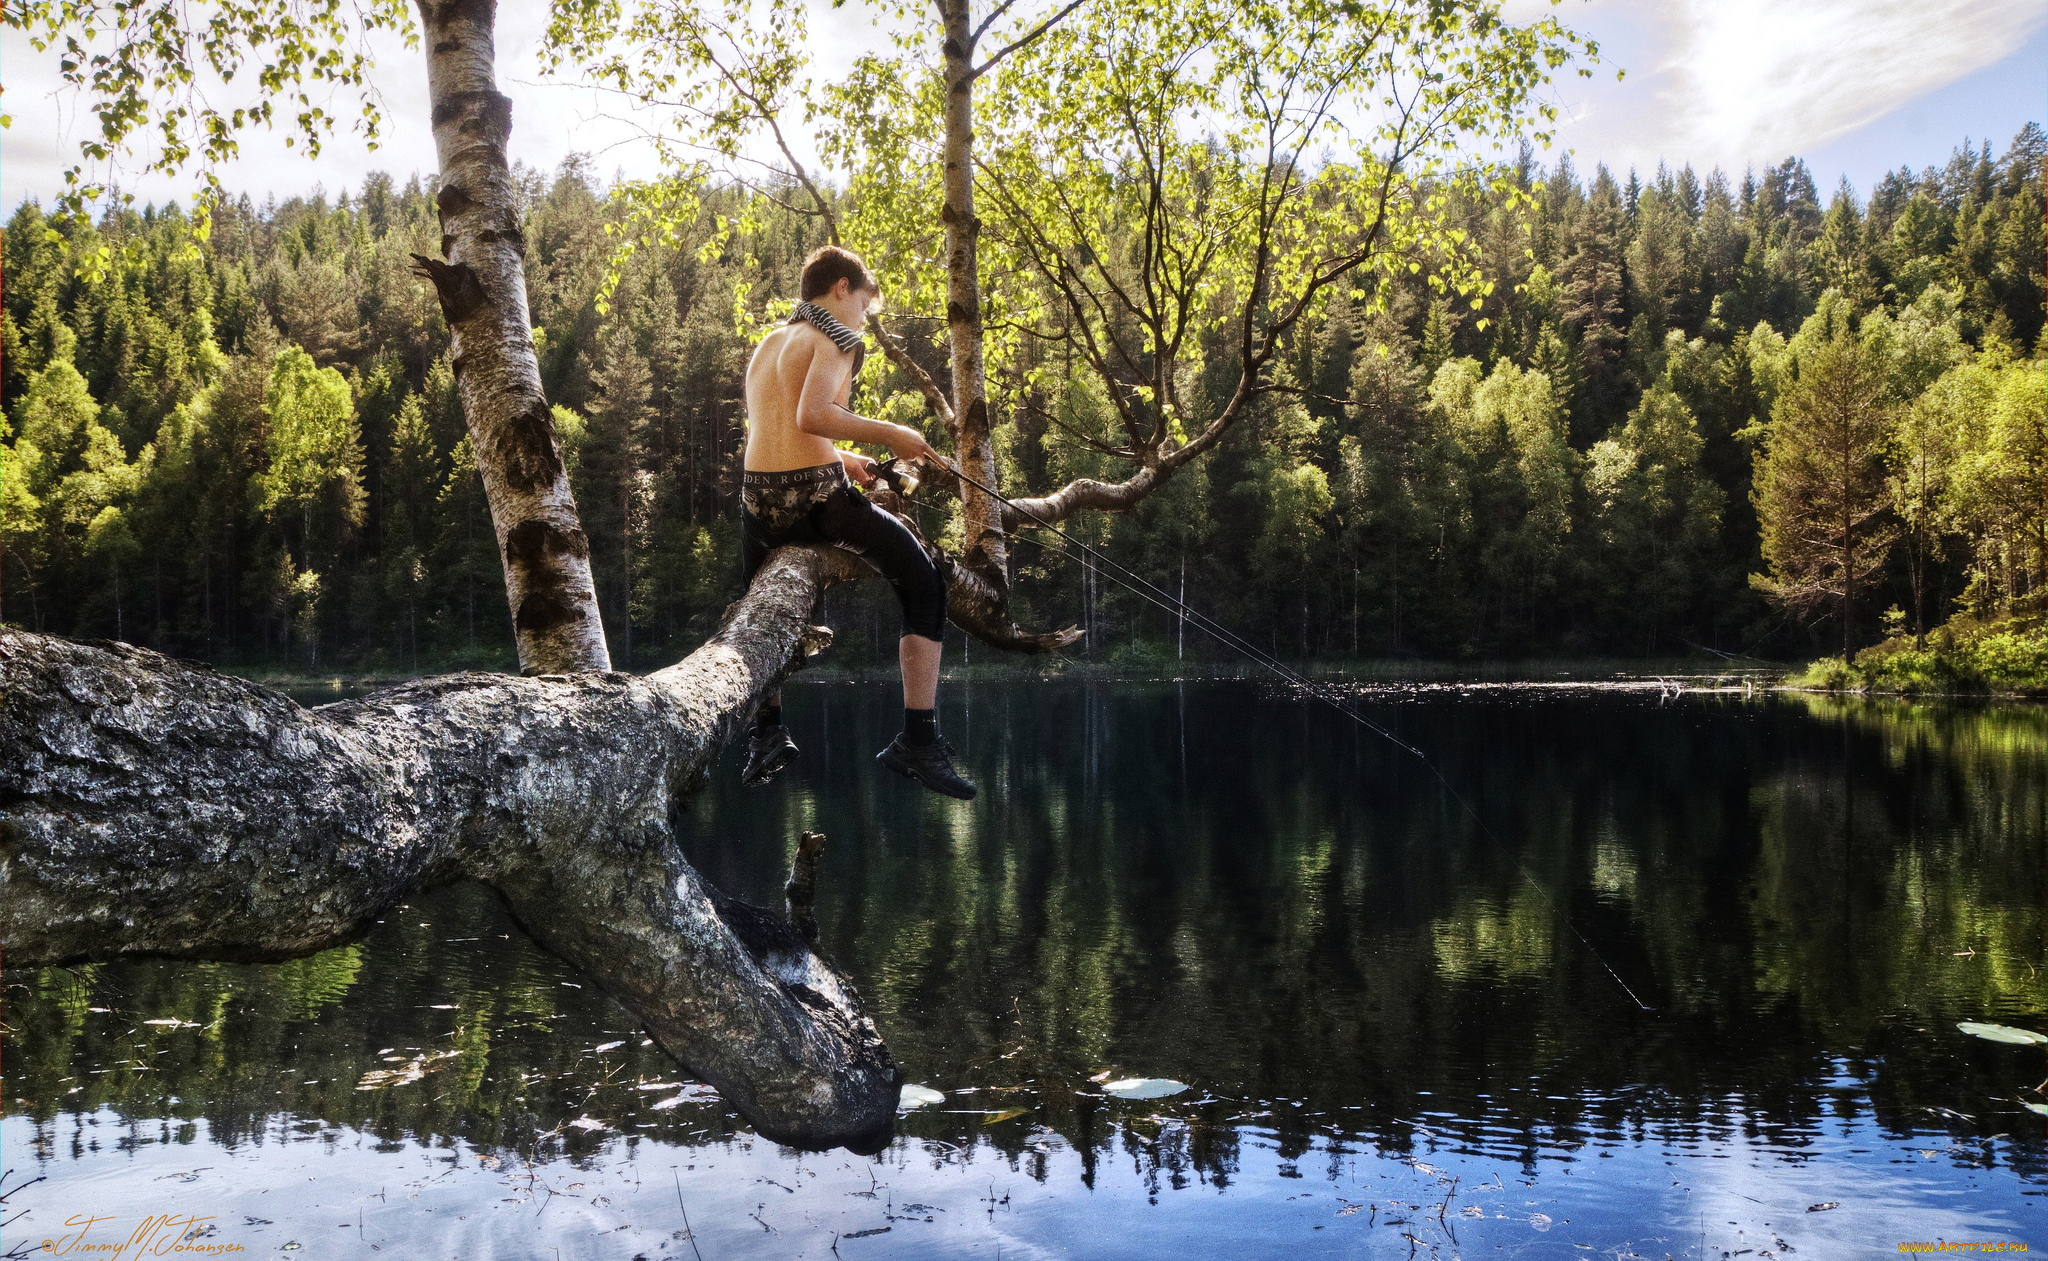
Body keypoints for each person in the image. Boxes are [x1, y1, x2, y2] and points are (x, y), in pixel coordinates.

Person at [735, 244, 976, 799]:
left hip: (757, 504)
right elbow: (813, 415)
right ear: (842, 287)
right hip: (816, 502)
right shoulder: (838, 339)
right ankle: (919, 739)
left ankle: (767, 731)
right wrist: (894, 435)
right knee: (924, 584)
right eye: (865, 303)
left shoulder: (770, 344)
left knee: (757, 607)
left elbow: (779, 431)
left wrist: (847, 459)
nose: (865, 317)